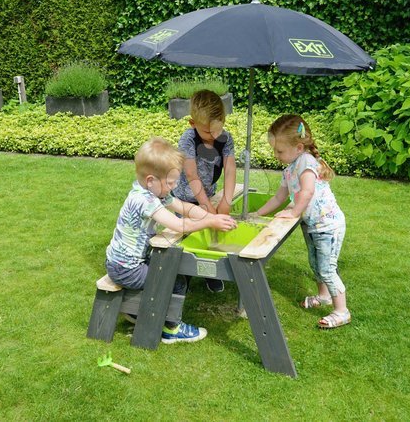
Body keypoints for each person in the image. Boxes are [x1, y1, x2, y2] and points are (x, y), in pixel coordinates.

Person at [105, 137, 238, 343]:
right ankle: (172, 329)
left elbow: (184, 208)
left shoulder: (154, 192)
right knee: (174, 279)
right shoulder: (145, 200)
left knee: (168, 265)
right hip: (126, 269)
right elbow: (179, 225)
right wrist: (210, 223)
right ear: (151, 180)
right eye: (170, 182)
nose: (174, 186)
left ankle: (137, 312)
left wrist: (212, 217)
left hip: (125, 263)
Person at [251, 115, 350, 329]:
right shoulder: (290, 167)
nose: (276, 156)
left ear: (298, 147)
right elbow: (279, 197)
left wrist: (294, 212)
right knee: (316, 265)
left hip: (328, 226)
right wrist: (257, 213)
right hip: (313, 225)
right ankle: (323, 297)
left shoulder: (306, 162)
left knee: (327, 269)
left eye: (279, 151)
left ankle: (342, 311)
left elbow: (307, 191)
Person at [171, 89, 236, 293]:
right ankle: (184, 275)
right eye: (208, 132)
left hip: (207, 194)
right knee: (187, 236)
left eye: (217, 130)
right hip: (184, 200)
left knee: (209, 234)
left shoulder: (225, 139)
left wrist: (226, 199)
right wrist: (207, 207)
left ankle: (210, 273)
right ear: (192, 123)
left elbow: (230, 170)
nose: (213, 136)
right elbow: (191, 176)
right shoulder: (188, 140)